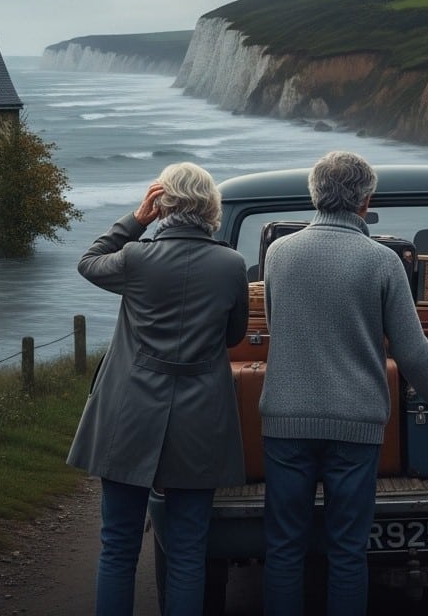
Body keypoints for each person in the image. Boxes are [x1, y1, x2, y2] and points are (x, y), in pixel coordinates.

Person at [259, 150, 428, 615]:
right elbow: (410, 348)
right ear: (365, 200)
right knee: (348, 552)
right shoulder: (383, 262)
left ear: (314, 195)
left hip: (285, 420)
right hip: (356, 424)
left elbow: (275, 325)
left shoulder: (277, 254)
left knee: (284, 549)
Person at [67, 162, 250, 616]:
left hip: (129, 413)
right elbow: (234, 336)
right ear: (211, 207)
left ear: (162, 203)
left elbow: (88, 262)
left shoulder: (136, 257)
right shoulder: (231, 266)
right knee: (189, 551)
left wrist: (135, 219)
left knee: (118, 545)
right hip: (201, 417)